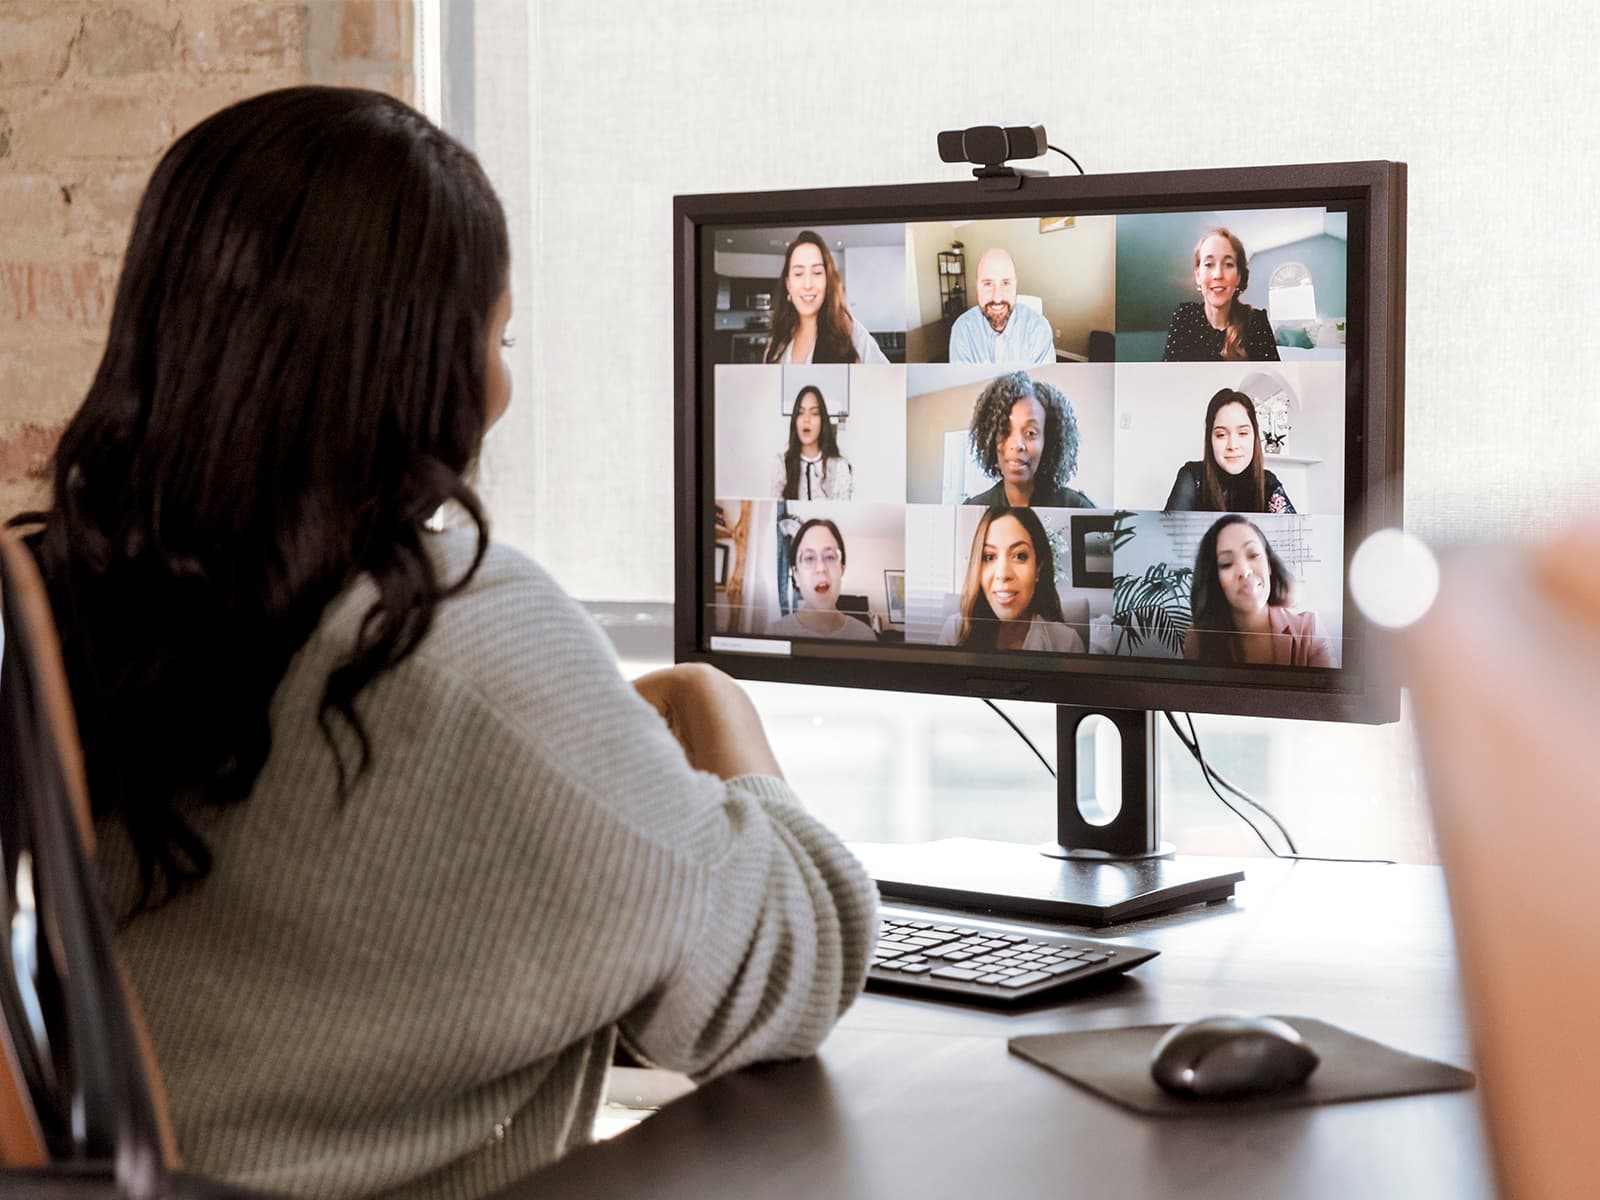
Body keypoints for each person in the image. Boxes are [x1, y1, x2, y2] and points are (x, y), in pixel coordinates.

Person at [10, 87, 876, 1199]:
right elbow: (797, 963)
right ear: (422, 360)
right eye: (497, 335)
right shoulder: (461, 632)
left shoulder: (91, 600)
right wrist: (717, 713)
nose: (503, 385)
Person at [1184, 514, 1333, 666]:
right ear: (1214, 579)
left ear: (1268, 564)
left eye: (1253, 555)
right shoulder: (1198, 639)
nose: (1244, 570)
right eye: (1226, 563)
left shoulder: (1309, 629)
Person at [938, 506, 1084, 652]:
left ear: (1038, 567)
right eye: (989, 557)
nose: (1003, 574)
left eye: (1019, 556)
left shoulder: (1067, 643)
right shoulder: (956, 632)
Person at [961, 370, 1095, 508]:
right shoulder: (973, 508)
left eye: (1030, 433)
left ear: (1047, 442)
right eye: (1005, 431)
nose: (1017, 445)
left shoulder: (1078, 507)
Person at [763, 230, 889, 364]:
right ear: (788, 285)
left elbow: (890, 380)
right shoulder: (776, 342)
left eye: (817, 272)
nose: (807, 285)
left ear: (827, 281)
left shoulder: (850, 334)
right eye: (798, 274)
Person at [1165, 387, 1296, 513]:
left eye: (1243, 433)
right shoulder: (1192, 477)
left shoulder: (1268, 483)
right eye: (1221, 435)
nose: (1232, 446)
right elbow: (1167, 532)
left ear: (1255, 436)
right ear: (1210, 439)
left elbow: (1296, 532)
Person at [1162, 228, 1281, 362]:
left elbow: (1270, 380)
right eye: (1208, 264)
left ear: (1238, 277)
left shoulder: (1256, 322)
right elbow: (1170, 377)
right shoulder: (1185, 315)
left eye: (1228, 264)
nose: (1218, 274)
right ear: (1198, 276)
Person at [764, 518, 877, 641]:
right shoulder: (774, 634)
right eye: (809, 558)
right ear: (796, 575)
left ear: (842, 569)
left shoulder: (865, 636)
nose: (821, 568)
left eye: (829, 557)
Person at [947, 247, 1054, 365]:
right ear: (977, 287)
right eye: (987, 284)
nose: (997, 298)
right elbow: (963, 382)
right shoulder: (962, 330)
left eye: (1006, 283)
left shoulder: (1039, 329)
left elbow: (1043, 382)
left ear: (1015, 285)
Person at [771, 384, 854, 500]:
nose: (806, 419)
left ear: (822, 421)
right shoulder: (782, 464)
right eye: (800, 412)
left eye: (814, 413)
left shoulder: (839, 467)